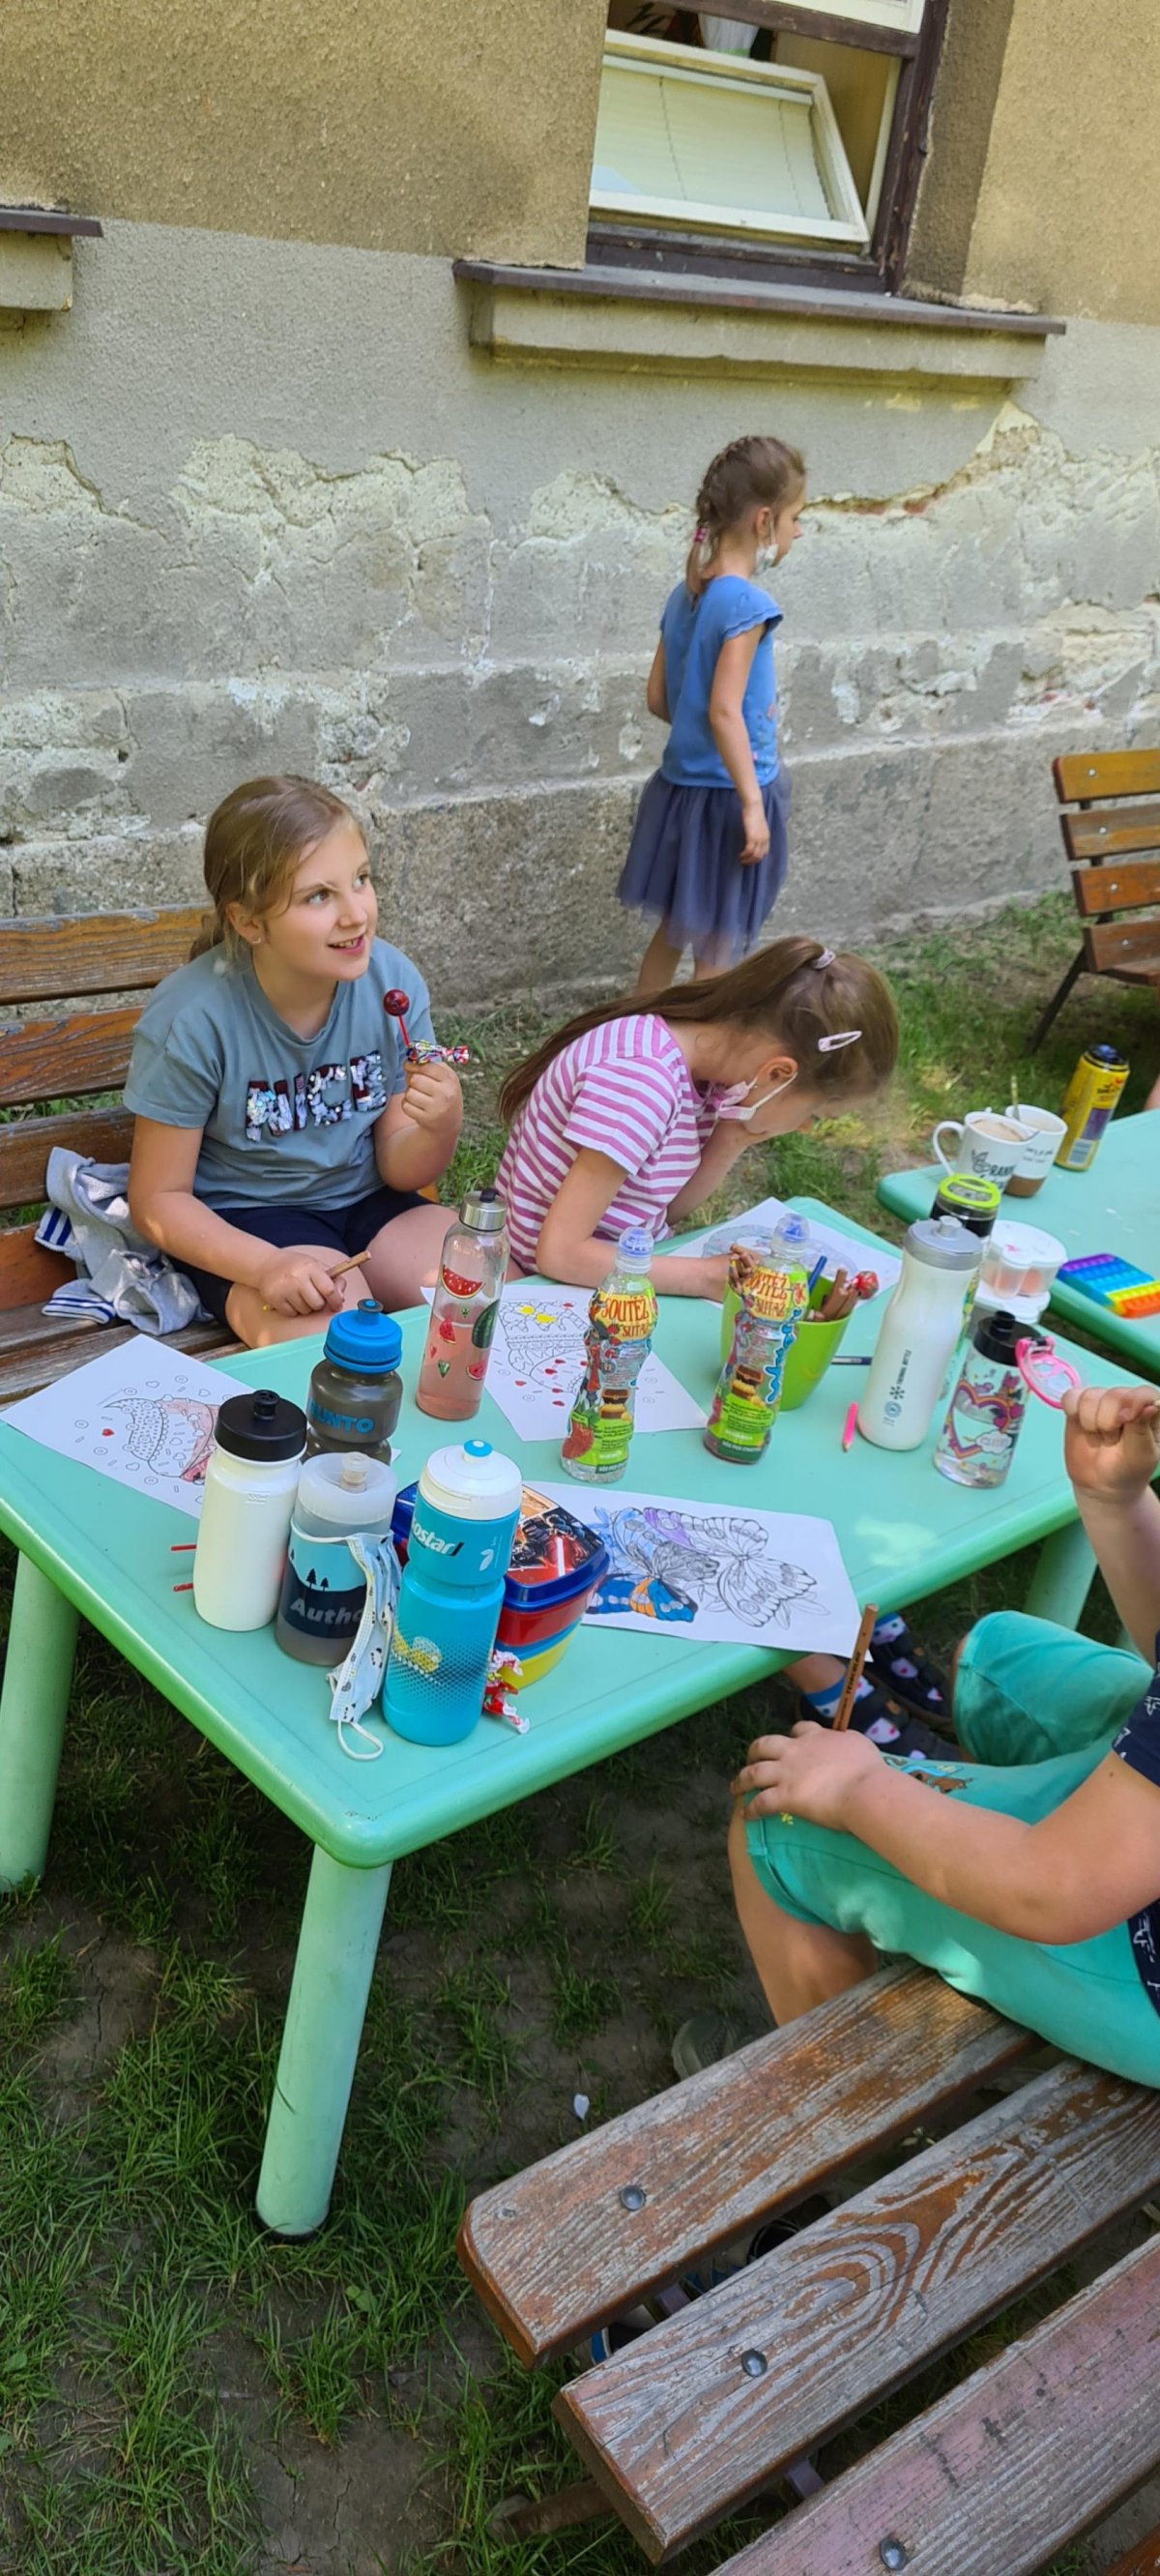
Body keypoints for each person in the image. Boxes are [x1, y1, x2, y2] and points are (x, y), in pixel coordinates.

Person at [498, 934, 944, 1756]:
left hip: (612, 1301)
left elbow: (661, 1209)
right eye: (812, 1113)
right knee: (703, 1486)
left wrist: (733, 1139)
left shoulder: (704, 1074)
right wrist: (702, 1279)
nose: (803, 1126)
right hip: (544, 1312)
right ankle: (824, 1664)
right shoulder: (641, 1081)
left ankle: (839, 1612)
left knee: (753, 1428)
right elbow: (558, 1252)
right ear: (779, 1073)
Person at [729, 1381, 1160, 2089]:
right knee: (996, 1658)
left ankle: (846, 2112)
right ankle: (962, 1811)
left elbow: (1052, 1889)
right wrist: (1116, 1503)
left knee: (774, 1819)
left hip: (1132, 1956)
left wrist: (857, 1789)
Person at [126, 776, 459, 1347]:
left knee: (481, 1296)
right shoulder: (193, 1020)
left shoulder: (392, 984)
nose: (356, 914)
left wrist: (440, 1124)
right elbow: (159, 1199)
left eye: (361, 879)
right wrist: (264, 1267)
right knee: (339, 1343)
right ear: (249, 922)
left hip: (371, 1200)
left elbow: (403, 1169)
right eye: (318, 896)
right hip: (250, 1224)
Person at [618, 434, 805, 995]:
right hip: (728, 801)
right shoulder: (746, 604)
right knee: (717, 949)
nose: (798, 532)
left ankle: (635, 1031)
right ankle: (700, 1051)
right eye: (796, 518)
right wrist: (751, 805)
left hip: (680, 794)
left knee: (674, 931)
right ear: (764, 520)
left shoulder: (686, 596)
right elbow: (725, 711)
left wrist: (697, 736)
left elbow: (659, 698)